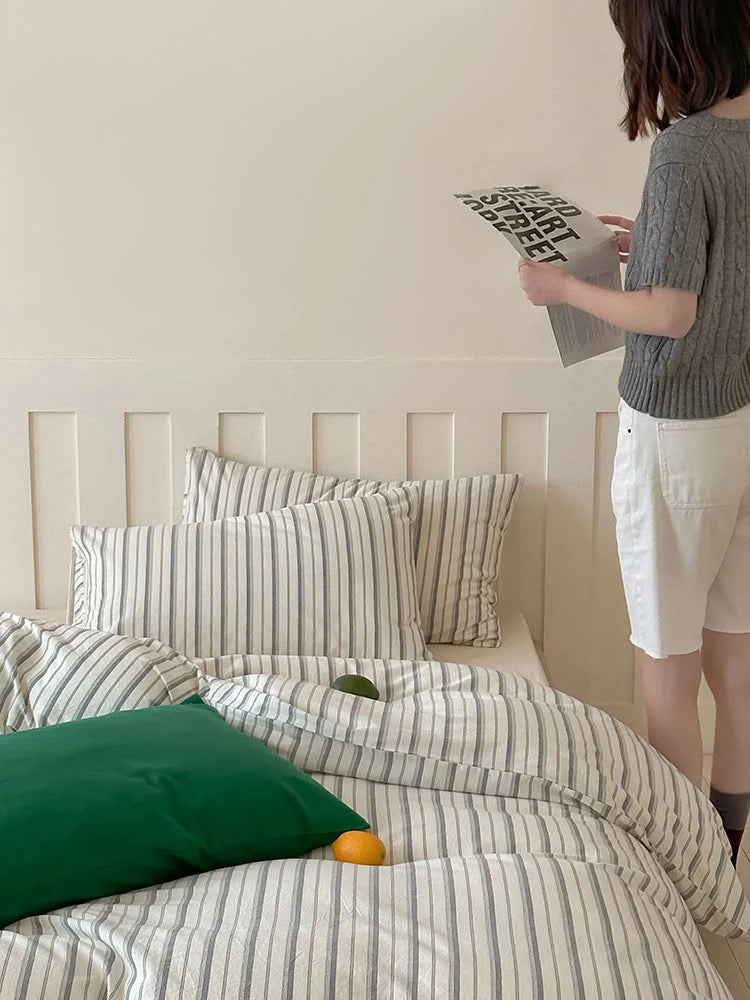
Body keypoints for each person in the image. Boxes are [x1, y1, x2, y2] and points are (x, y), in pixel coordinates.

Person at [518, 0, 750, 866]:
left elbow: (671, 312)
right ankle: (727, 854)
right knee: (736, 656)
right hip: (743, 423)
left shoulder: (685, 149)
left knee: (666, 666)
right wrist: (647, 237)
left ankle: (679, 876)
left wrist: (566, 290)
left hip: (678, 434)